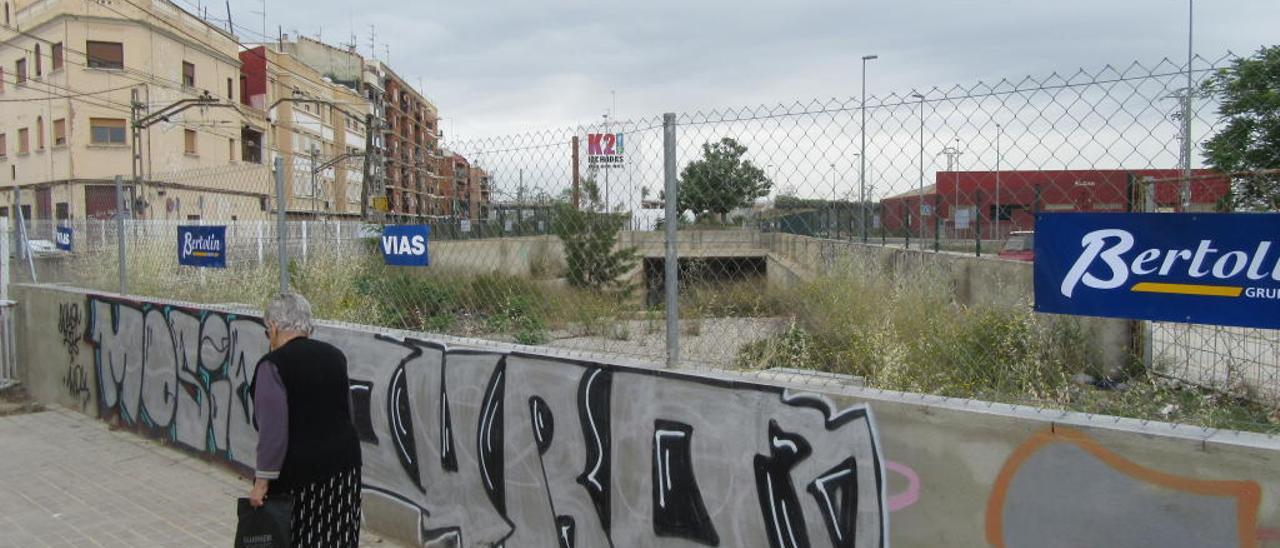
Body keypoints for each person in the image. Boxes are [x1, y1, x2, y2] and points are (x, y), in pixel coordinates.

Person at [248, 292, 362, 547]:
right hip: (344, 467)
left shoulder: (272, 365)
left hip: (300, 474)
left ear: (273, 328)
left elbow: (273, 431)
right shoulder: (335, 356)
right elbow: (348, 412)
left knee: (300, 536)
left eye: (268, 333)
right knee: (338, 537)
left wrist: (262, 482)